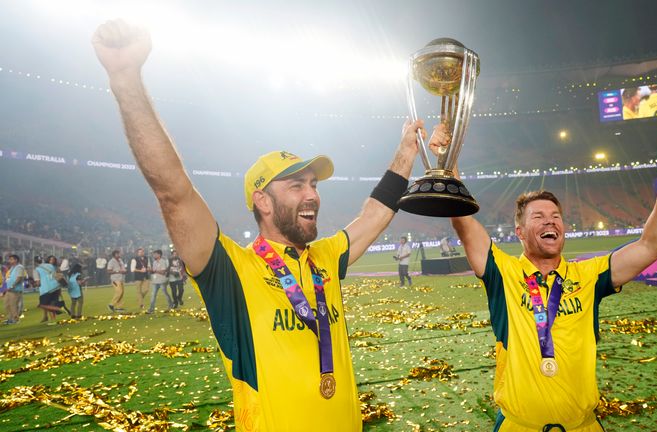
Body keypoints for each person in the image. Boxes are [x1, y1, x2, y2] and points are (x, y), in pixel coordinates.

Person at [93, 19, 422, 431]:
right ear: (261, 200)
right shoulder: (231, 271)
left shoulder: (325, 257)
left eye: (314, 184)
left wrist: (407, 150)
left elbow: (376, 213)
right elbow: (173, 191)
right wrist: (126, 79)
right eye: (296, 185)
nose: (312, 195)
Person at [431, 123, 657, 431]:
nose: (550, 221)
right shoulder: (503, 272)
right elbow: (463, 221)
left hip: (583, 426)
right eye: (538, 216)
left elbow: (652, 245)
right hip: (519, 426)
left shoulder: (590, 274)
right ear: (519, 232)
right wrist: (447, 161)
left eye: (556, 216)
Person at [35, 255, 68, 323]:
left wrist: (34, 284)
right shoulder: (51, 266)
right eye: (51, 259)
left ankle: (59, 309)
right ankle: (51, 320)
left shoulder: (37, 269)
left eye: (53, 259)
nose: (52, 261)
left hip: (46, 289)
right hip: (55, 286)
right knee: (50, 304)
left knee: (42, 305)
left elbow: (38, 282)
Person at [2, 255, 25, 324]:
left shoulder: (20, 267)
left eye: (11, 259)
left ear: (16, 260)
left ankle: (15, 319)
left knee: (13, 305)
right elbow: (9, 278)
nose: (9, 261)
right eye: (9, 259)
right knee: (7, 305)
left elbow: (19, 278)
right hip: (9, 289)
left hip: (15, 290)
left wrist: (12, 285)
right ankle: (10, 319)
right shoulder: (12, 267)